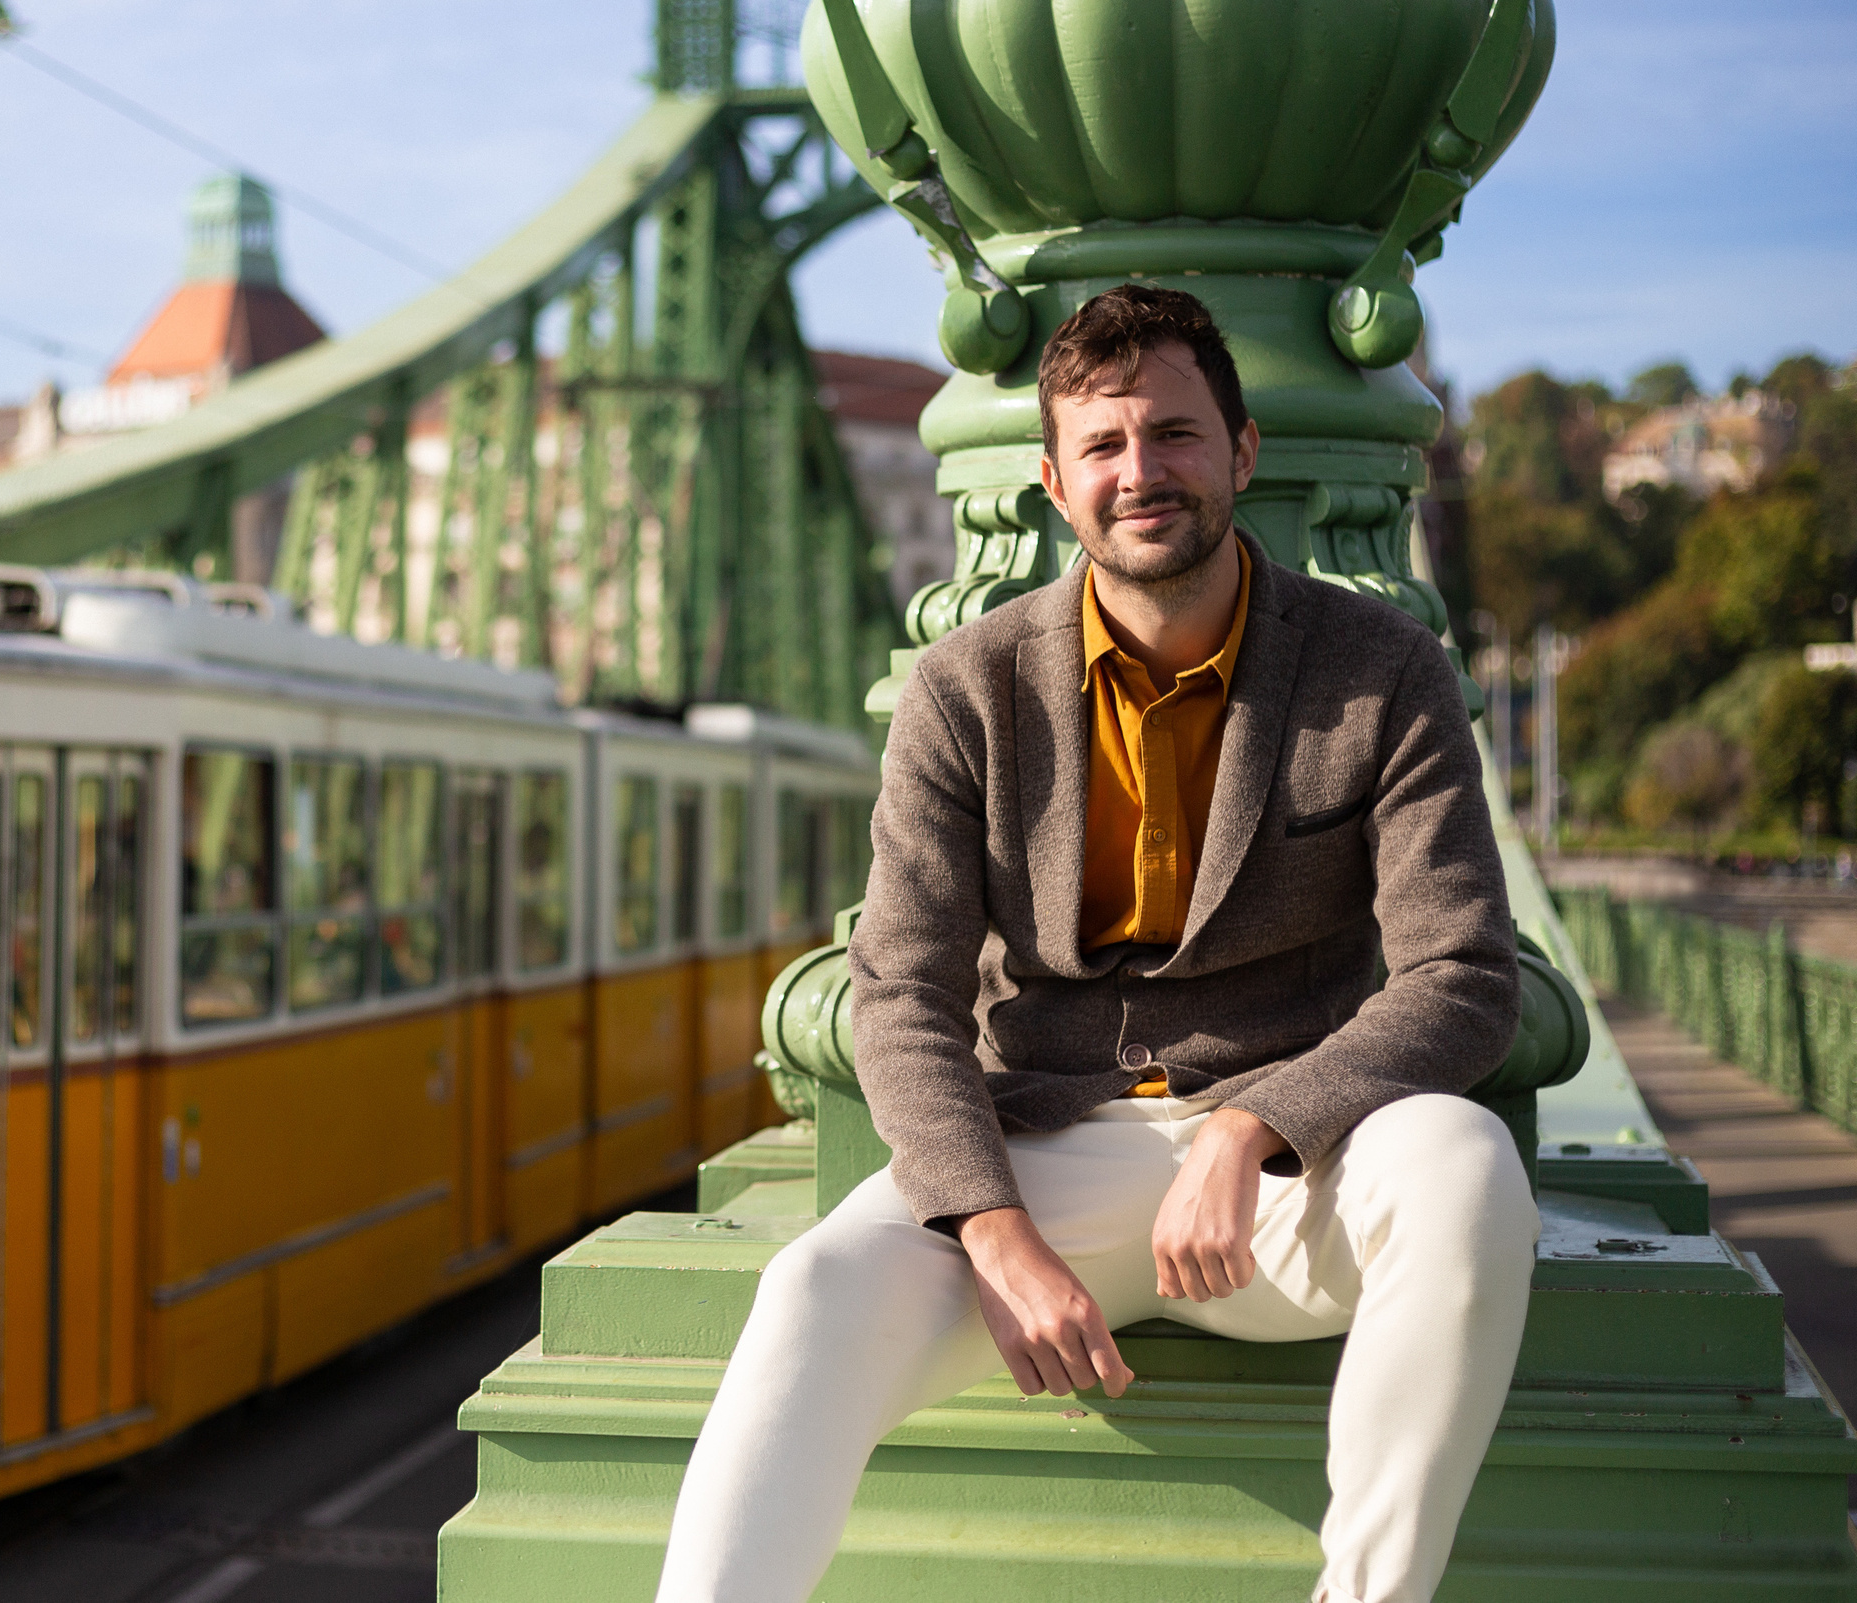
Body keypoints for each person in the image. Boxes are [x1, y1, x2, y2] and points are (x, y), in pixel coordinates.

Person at [654, 286, 1533, 1603]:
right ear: (1057, 485)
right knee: (813, 1292)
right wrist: (998, 1237)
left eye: (1175, 435)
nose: (1143, 474)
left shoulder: (1383, 668)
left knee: (1467, 1166)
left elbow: (1465, 972)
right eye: (1106, 449)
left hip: (1291, 1182)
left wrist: (1256, 1130)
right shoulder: (968, 690)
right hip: (1042, 1164)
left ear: (1240, 453)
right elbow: (902, 997)